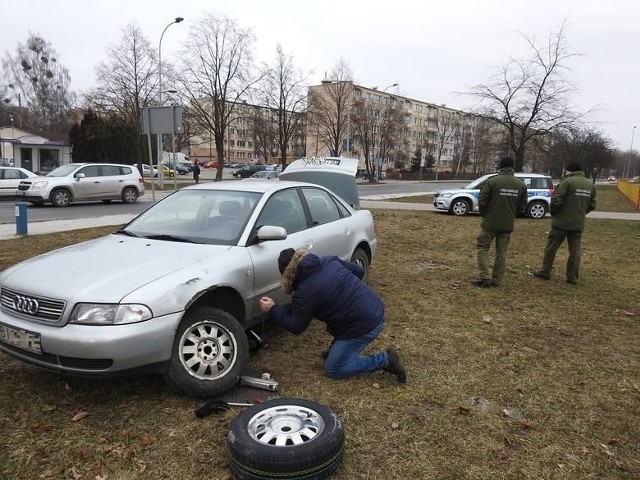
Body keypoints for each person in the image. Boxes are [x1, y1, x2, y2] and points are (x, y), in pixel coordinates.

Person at [258, 248, 406, 383]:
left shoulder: (304, 293)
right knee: (338, 319)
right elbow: (359, 272)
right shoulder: (328, 260)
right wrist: (347, 293)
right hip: (375, 306)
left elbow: (296, 327)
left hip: (366, 324)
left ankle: (385, 360)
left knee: (334, 369)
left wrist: (272, 309)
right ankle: (337, 348)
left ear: (287, 275)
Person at [533, 162, 596, 284]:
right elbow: (592, 205)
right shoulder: (590, 185)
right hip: (578, 223)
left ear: (569, 171)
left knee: (551, 248)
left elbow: (556, 200)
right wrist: (581, 213)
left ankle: (545, 271)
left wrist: (554, 213)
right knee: (575, 251)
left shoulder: (567, 182)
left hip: (561, 223)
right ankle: (572, 277)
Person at [473, 157, 527, 288]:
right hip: (507, 223)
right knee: (501, 252)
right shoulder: (521, 184)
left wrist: (485, 214)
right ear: (512, 167)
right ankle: (497, 280)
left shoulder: (492, 181)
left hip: (490, 222)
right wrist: (512, 215)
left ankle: (484, 277)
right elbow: (522, 206)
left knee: (482, 248)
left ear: (500, 167)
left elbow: (482, 201)